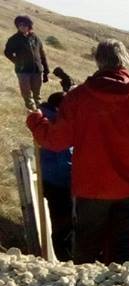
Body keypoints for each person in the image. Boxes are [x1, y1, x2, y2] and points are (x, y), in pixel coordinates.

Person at [26, 39, 129, 264]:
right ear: (125, 60)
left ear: (98, 61)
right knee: (124, 251)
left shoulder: (77, 99)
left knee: (86, 249)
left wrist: (36, 121)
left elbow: (55, 141)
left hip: (90, 190)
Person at [37, 92, 73, 261]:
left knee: (59, 221)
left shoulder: (46, 119)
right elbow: (62, 158)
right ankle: (64, 256)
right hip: (59, 182)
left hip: (52, 180)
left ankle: (63, 254)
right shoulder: (55, 123)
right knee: (62, 223)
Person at [4, 16, 49, 110]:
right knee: (27, 93)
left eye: (25, 24)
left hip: (37, 70)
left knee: (37, 94)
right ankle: (33, 112)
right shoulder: (14, 39)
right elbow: (7, 52)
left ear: (29, 26)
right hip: (23, 71)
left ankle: (40, 110)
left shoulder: (35, 38)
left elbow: (42, 54)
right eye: (20, 25)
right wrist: (18, 62)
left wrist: (46, 70)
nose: (22, 26)